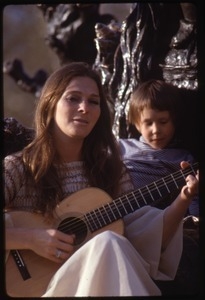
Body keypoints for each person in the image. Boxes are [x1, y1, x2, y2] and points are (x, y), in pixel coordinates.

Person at [4, 62, 198, 297]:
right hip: (43, 288)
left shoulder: (111, 171)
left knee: (110, 243)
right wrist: (32, 239)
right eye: (73, 98)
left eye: (93, 101)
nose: (84, 108)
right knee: (107, 242)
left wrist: (184, 199)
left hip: (102, 283)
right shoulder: (18, 167)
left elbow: (145, 238)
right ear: (50, 103)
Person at [119, 79, 199, 217]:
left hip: (146, 222)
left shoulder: (183, 159)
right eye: (148, 123)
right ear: (137, 125)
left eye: (163, 122)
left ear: (174, 121)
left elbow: (193, 199)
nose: (156, 130)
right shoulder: (120, 147)